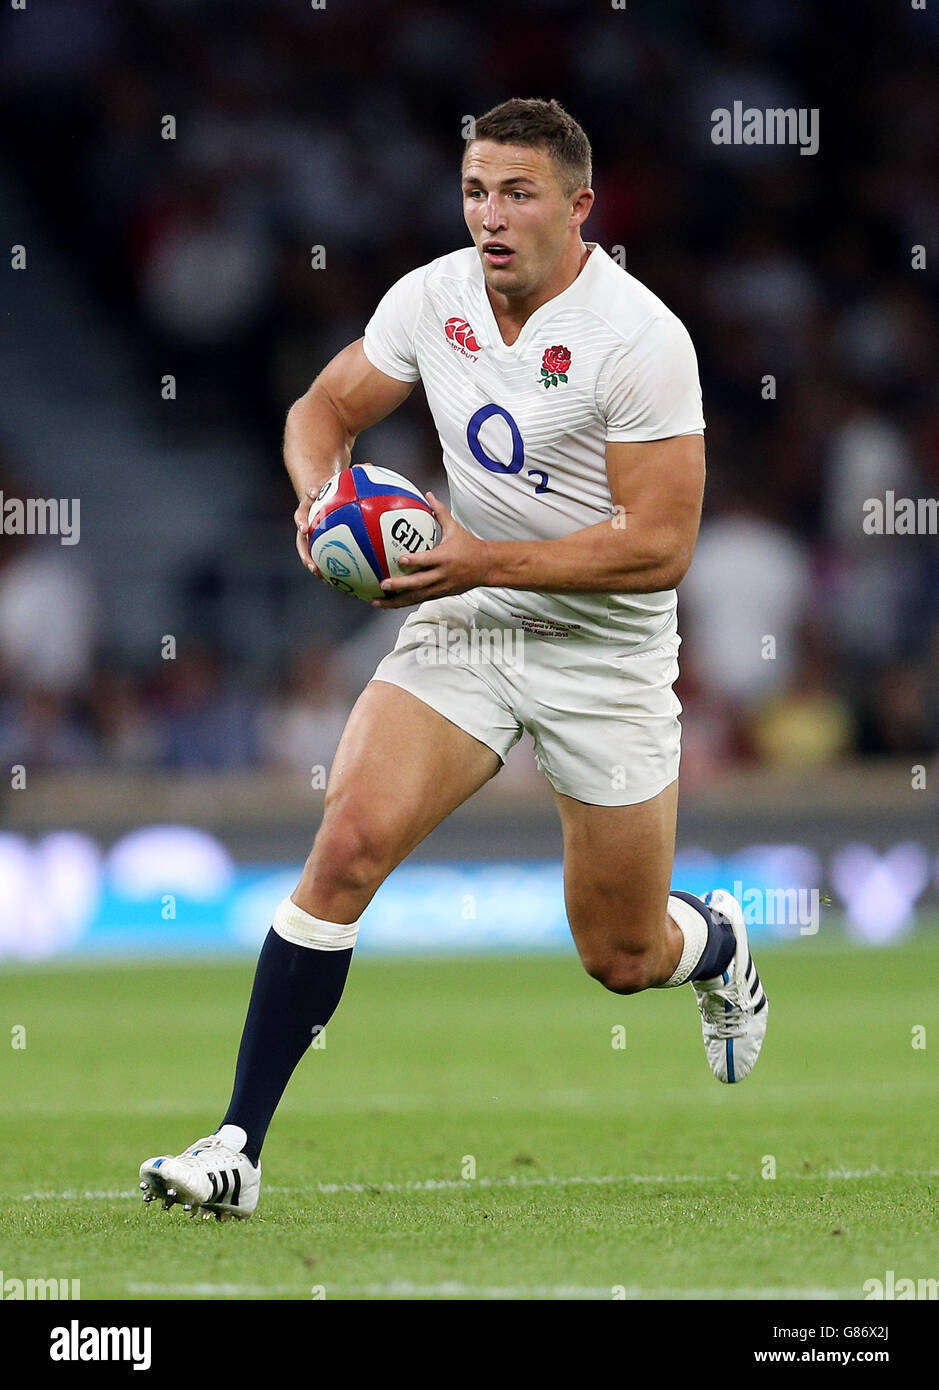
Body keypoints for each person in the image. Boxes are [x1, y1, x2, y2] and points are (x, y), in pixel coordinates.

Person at [139, 98, 767, 1222]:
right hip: (463, 621)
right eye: (476, 190)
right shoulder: (432, 299)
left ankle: (714, 936)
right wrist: (319, 495)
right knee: (346, 847)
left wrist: (484, 559)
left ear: (580, 207)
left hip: (604, 652)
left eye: (518, 192)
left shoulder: (640, 337)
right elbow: (322, 407)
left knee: (621, 955)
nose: (490, 215)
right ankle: (237, 1142)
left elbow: (661, 545)